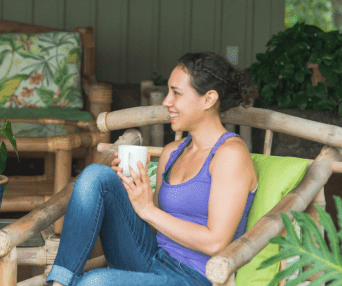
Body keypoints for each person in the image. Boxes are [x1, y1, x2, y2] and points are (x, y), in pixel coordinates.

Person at [47, 52, 259, 286]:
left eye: (176, 93)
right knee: (97, 176)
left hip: (195, 277)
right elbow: (155, 223)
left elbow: (216, 242)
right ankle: (59, 283)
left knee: (94, 283)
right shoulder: (172, 152)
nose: (167, 101)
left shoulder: (230, 155)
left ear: (208, 99)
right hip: (154, 258)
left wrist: (148, 210)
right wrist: (129, 189)